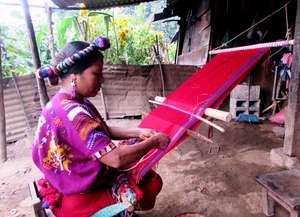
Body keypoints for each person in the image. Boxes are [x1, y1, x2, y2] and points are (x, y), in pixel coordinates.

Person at [32, 36, 169, 217]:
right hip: (81, 190)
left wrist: (138, 131)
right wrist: (154, 142)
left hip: (70, 177)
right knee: (151, 183)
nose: (102, 80)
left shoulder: (65, 102)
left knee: (135, 144)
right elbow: (116, 159)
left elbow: (102, 130)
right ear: (75, 76)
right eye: (96, 74)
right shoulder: (74, 113)